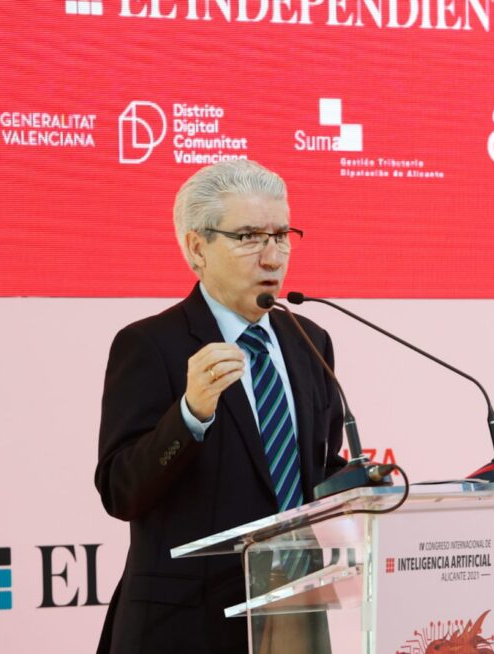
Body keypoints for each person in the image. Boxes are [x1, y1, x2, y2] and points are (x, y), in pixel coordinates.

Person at [95, 160, 345, 653]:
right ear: (197, 247)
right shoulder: (151, 345)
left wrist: (374, 490)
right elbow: (119, 490)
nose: (272, 257)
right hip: (187, 627)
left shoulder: (309, 341)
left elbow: (314, 471)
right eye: (250, 236)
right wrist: (190, 415)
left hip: (294, 614)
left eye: (282, 235)